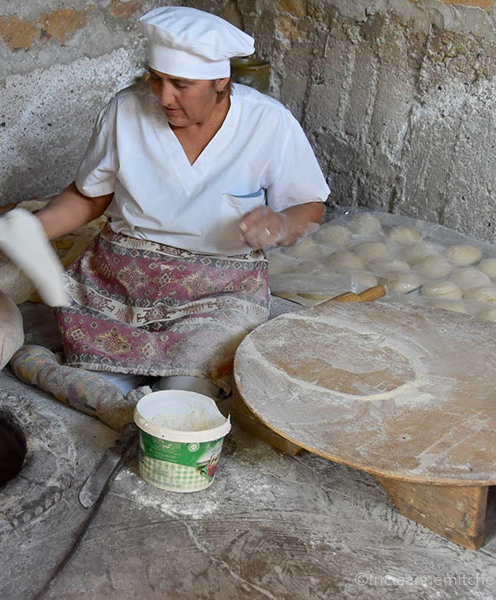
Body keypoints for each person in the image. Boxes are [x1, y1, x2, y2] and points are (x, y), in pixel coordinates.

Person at [18, 6, 329, 397]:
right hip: (118, 283)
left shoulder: (268, 123)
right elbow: (88, 196)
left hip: (217, 293)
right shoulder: (125, 111)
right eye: (156, 79)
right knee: (99, 387)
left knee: (185, 395)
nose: (165, 97)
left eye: (181, 84)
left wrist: (280, 225)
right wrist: (34, 229)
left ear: (220, 80)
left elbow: (308, 205)